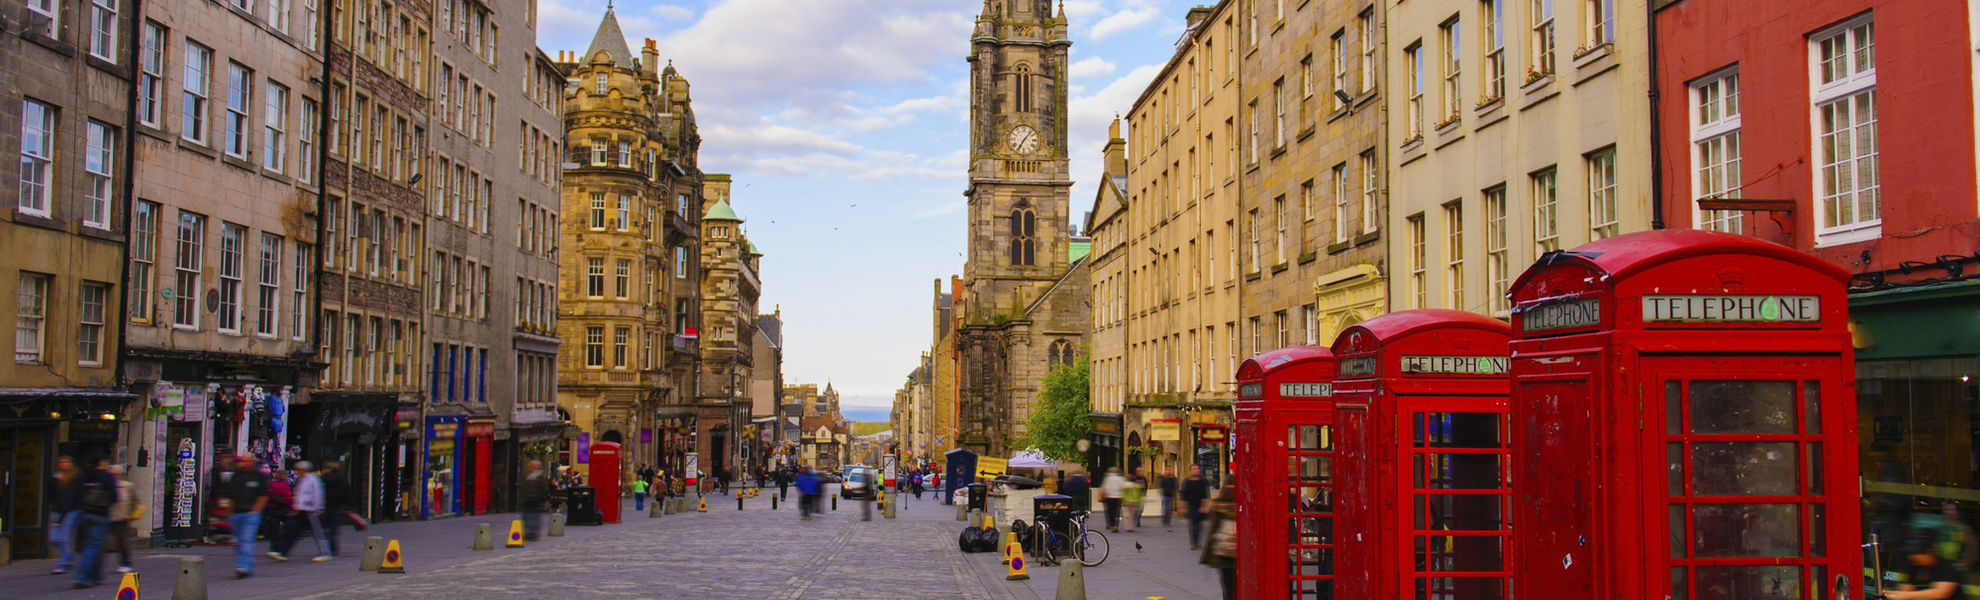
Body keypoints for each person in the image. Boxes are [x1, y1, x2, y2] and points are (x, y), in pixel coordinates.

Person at [219, 455, 271, 578]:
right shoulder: (235, 476)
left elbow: (264, 495)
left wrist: (255, 511)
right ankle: (246, 564)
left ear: (252, 462)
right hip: (236, 514)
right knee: (239, 541)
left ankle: (243, 566)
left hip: (250, 514)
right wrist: (229, 512)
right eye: (242, 460)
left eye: (247, 461)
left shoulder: (258, 476)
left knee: (246, 539)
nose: (244, 463)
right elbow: (230, 495)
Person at [68, 456, 116, 588]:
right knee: (93, 547)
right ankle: (82, 577)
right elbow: (114, 495)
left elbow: (77, 495)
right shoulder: (107, 476)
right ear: (101, 461)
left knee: (91, 545)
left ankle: (95, 576)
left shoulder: (87, 476)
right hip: (100, 515)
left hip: (85, 514)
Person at [271, 461, 333, 562]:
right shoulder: (303, 480)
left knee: (318, 532)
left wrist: (317, 508)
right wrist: (295, 508)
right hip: (302, 509)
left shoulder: (313, 480)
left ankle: (326, 553)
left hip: (310, 510)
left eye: (298, 470)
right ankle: (282, 552)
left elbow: (317, 495)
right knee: (293, 531)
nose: (296, 472)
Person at [1884, 530, 1970, 599]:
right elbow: (1906, 589)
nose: (1913, 556)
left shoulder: (1946, 568)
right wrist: (1893, 594)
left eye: (1918, 552)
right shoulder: (1912, 567)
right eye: (1910, 553)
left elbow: (1941, 593)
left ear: (1931, 551)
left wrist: (1904, 595)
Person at [1199, 487, 1238, 600]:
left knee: (1227, 584)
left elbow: (1212, 530)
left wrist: (1206, 555)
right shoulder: (1244, 506)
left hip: (1223, 552)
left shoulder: (1217, 506)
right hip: (1241, 554)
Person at [105, 465, 140, 574]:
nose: (113, 475)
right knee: (102, 541)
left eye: (115, 473)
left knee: (121, 540)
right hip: (107, 515)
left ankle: (126, 563)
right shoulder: (106, 485)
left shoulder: (126, 485)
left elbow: (134, 500)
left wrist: (129, 513)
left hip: (122, 517)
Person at [47, 455, 79, 576]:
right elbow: (50, 494)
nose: (64, 464)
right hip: (57, 510)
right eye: (61, 462)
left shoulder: (75, 478)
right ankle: (69, 555)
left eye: (67, 462)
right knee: (53, 538)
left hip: (71, 510)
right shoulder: (54, 478)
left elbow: (74, 496)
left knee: (63, 537)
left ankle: (62, 563)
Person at [319, 462, 354, 556]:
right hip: (338, 507)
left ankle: (326, 547)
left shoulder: (323, 479)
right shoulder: (342, 479)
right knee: (334, 529)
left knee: (325, 528)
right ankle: (333, 548)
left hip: (326, 507)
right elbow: (347, 493)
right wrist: (348, 505)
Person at [519, 460, 550, 541]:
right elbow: (522, 488)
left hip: (535, 500)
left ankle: (533, 533)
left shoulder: (541, 476)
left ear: (538, 467)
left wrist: (540, 498)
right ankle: (527, 532)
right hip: (526, 500)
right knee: (525, 517)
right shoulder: (526, 475)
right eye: (531, 466)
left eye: (534, 466)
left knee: (534, 517)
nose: (532, 468)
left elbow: (544, 489)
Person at [1182, 465, 1210, 549]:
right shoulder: (1187, 481)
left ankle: (1197, 541)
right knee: (1193, 524)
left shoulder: (1203, 481)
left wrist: (1205, 506)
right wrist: (1183, 507)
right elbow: (1184, 496)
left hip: (1201, 505)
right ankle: (1193, 542)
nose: (1196, 470)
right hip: (1191, 505)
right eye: (1193, 469)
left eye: (1197, 469)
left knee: (1199, 525)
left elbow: (1206, 495)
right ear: (1190, 471)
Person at [1100, 467, 1128, 533]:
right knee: (1117, 512)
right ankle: (1115, 525)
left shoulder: (1107, 478)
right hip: (1117, 497)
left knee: (1110, 511)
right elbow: (1124, 486)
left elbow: (1104, 487)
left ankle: (1111, 523)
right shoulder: (1120, 478)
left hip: (1109, 496)